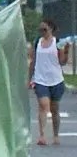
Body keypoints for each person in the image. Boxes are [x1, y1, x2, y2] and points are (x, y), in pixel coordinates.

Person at [29, 17, 68, 146]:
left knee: (54, 109)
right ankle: (42, 135)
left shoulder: (57, 43)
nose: (42, 32)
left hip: (56, 80)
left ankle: (56, 135)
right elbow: (33, 61)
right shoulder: (37, 43)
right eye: (40, 30)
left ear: (50, 29)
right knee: (43, 105)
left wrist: (66, 52)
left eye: (44, 29)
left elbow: (62, 62)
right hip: (40, 80)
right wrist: (29, 78)